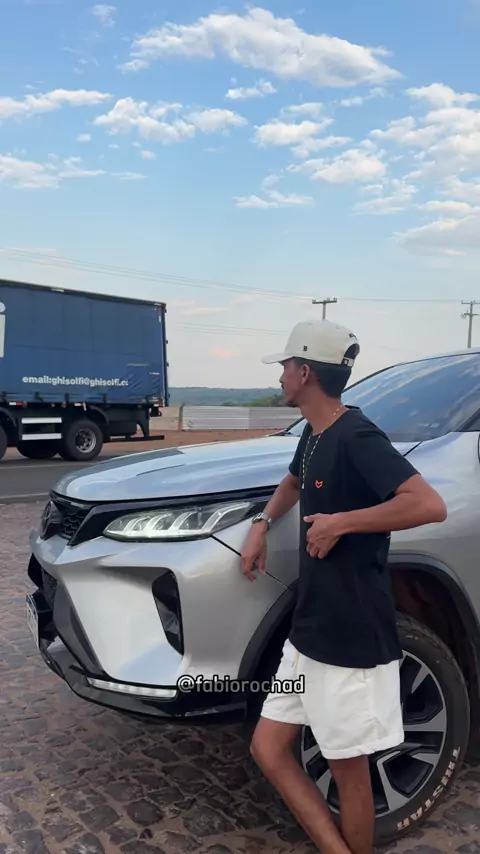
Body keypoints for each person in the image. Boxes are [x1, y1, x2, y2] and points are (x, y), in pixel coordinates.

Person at [241, 319, 447, 854]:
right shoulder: (315, 432)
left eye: (286, 365)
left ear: (305, 373)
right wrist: (261, 525)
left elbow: (428, 504)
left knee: (349, 773)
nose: (280, 375)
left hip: (350, 639)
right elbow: (294, 480)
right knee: (269, 747)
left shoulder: (356, 435)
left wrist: (342, 522)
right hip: (309, 633)